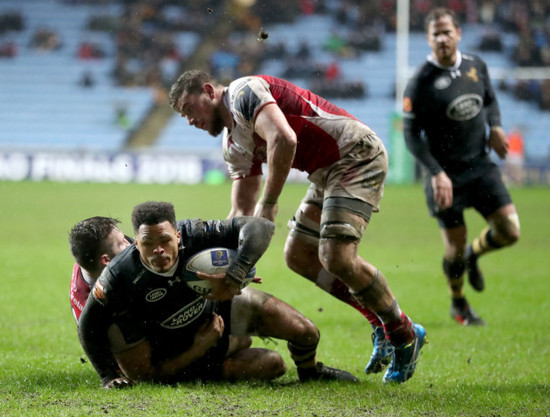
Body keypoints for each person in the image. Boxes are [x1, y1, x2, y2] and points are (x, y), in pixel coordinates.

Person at [168, 71, 426, 384]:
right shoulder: (234, 144)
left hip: (356, 154)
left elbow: (283, 138)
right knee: (298, 256)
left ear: (208, 91)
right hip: (325, 172)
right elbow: (241, 213)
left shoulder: (243, 92)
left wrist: (271, 202)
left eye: (189, 109)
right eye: (182, 116)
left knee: (337, 257)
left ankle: (403, 334)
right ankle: (380, 321)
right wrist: (224, 261)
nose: (189, 121)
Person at [78, 201, 358, 388]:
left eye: (164, 240)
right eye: (148, 244)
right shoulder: (119, 274)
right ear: (136, 243)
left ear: (177, 235)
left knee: (306, 332)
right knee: (274, 364)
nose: (158, 250)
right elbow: (89, 323)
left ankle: (311, 372)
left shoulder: (195, 234)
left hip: (216, 308)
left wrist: (236, 274)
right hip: (178, 348)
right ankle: (212, 367)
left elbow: (261, 227)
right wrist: (107, 376)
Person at [402, 8, 520, 326]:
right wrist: (436, 173)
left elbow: (491, 100)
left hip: (480, 165)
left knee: (510, 231)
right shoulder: (419, 83)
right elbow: (411, 135)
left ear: (459, 34)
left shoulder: (475, 65)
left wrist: (495, 126)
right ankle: (459, 304)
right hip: (445, 175)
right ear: (428, 39)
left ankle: (475, 255)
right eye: (435, 34)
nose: (442, 38)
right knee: (453, 245)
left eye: (447, 31)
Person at [69, 216, 133, 389]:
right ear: (106, 260)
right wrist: (109, 376)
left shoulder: (129, 250)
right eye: (122, 243)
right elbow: (89, 336)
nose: (130, 244)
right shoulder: (83, 298)